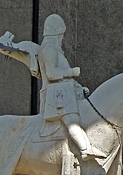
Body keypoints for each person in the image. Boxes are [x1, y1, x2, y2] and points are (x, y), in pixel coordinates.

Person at [38, 14, 105, 161]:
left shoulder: (55, 50)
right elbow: (51, 74)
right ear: (56, 33)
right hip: (56, 96)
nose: (61, 38)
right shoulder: (48, 49)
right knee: (71, 119)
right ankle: (85, 148)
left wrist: (79, 87)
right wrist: (72, 71)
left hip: (64, 92)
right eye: (61, 35)